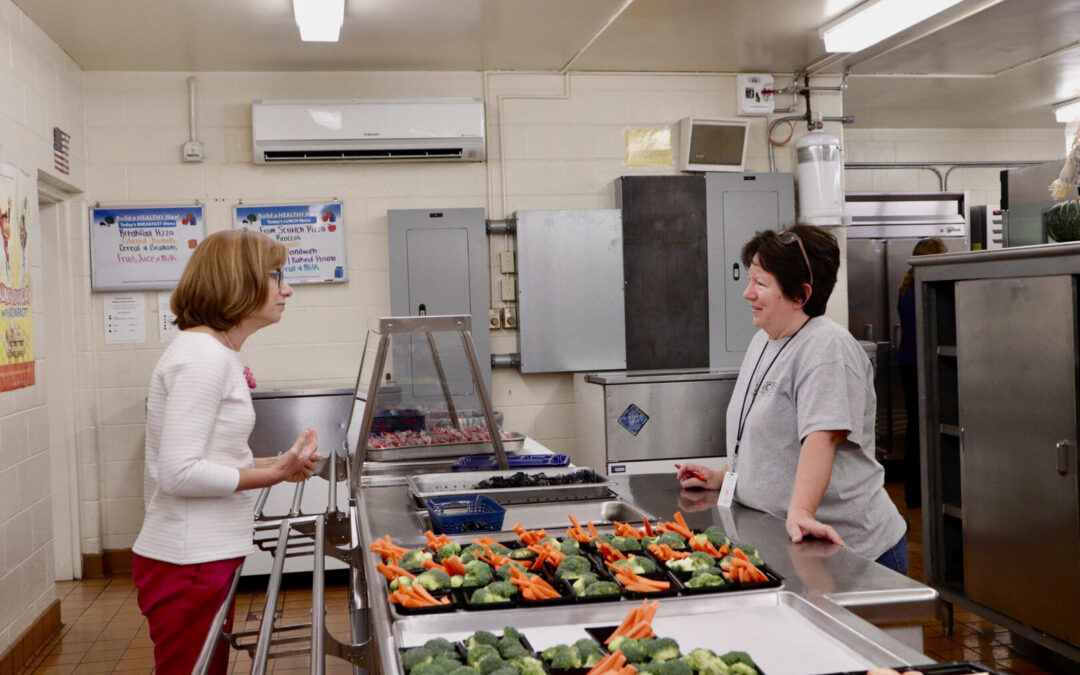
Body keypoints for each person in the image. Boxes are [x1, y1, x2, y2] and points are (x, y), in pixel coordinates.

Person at [131, 229, 322, 675]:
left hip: (200, 557)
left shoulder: (212, 353)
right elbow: (178, 473)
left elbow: (207, 456)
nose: (287, 288)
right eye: (276, 276)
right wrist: (273, 476)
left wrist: (275, 463)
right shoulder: (204, 358)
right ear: (239, 282)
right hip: (188, 561)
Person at [677, 224, 908, 574]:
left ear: (800, 295)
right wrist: (724, 477)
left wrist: (801, 512)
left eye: (761, 284)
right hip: (793, 547)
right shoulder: (765, 340)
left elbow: (821, 439)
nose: (747, 293)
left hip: (849, 552)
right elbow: (774, 446)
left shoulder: (827, 349)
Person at [896, 237, 949, 508]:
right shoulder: (932, 289)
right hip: (927, 364)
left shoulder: (906, 289)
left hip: (907, 363)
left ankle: (914, 494)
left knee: (915, 427)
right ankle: (932, 493)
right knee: (931, 427)